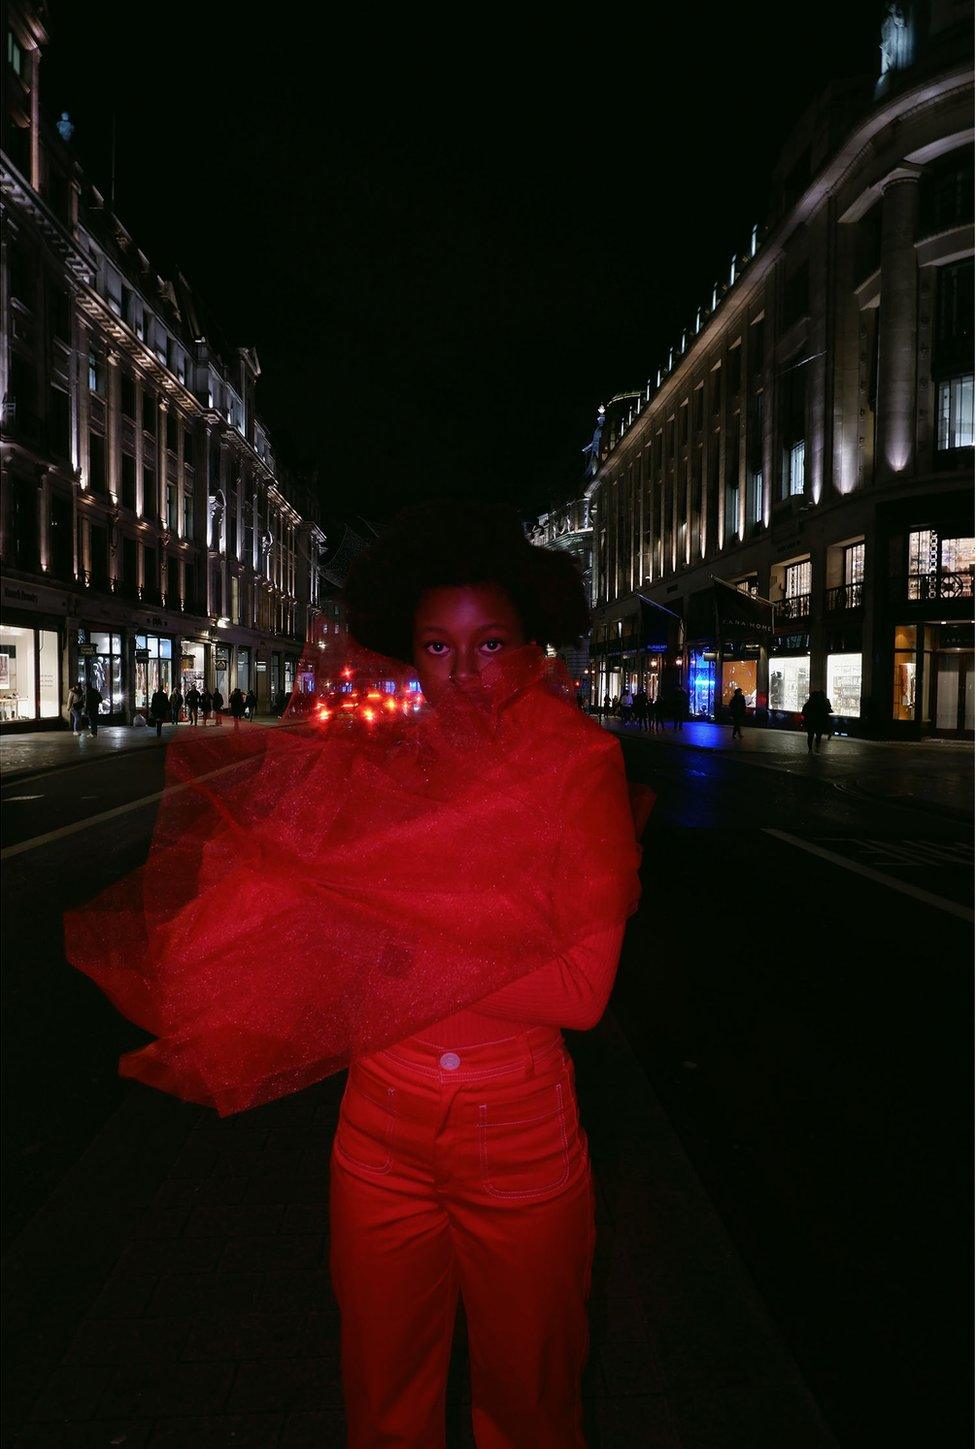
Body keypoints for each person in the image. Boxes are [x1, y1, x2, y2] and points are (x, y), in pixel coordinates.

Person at [65, 500, 650, 1449]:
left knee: (533, 1406)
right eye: (438, 646)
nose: (464, 673)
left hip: (520, 1136)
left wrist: (376, 926)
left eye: (491, 643)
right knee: (381, 1403)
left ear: (533, 645)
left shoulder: (580, 769)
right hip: (378, 1131)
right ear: (407, 653)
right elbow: (293, 932)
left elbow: (581, 992)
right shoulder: (375, 767)